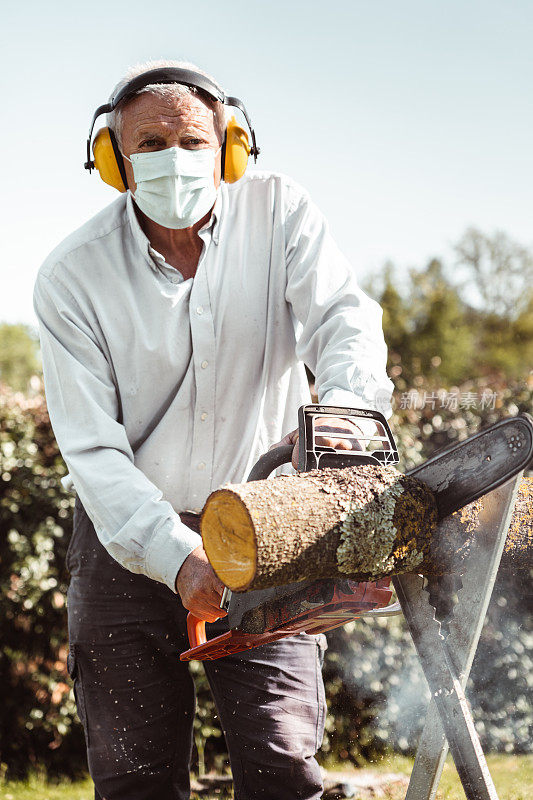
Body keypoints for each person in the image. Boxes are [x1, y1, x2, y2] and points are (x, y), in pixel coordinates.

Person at [34, 59, 394, 800]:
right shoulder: (72, 276)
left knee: (282, 761)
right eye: (151, 141)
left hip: (269, 524)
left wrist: (345, 423)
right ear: (113, 158)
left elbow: (342, 321)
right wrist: (177, 557)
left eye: (192, 138)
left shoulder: (282, 214)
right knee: (135, 777)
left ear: (229, 145)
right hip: (122, 537)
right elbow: (93, 451)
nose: (174, 156)